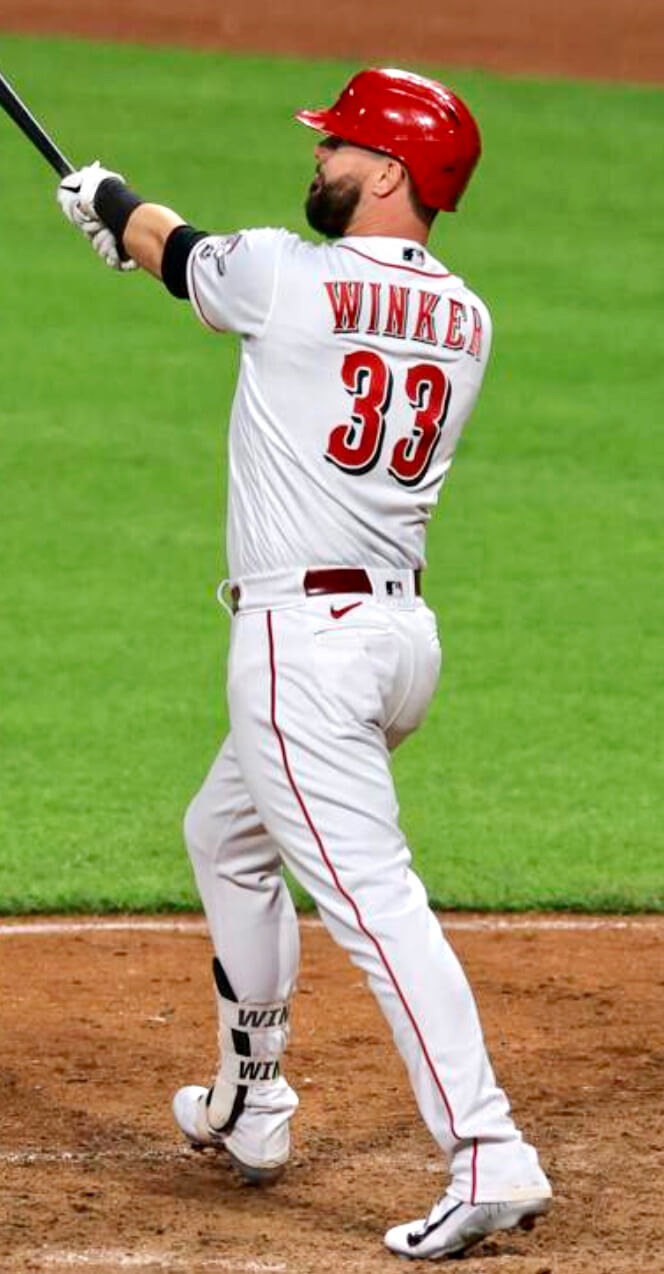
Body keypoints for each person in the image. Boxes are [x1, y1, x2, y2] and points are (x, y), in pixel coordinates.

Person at [57, 67, 552, 1260]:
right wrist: (138, 231)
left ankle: (486, 1148)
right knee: (223, 834)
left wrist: (106, 198)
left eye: (339, 145)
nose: (319, 159)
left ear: (389, 171)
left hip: (301, 653)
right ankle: (254, 1097)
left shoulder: (290, 272)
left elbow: (178, 251)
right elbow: (200, 267)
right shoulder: (469, 317)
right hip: (395, 647)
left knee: (373, 901)